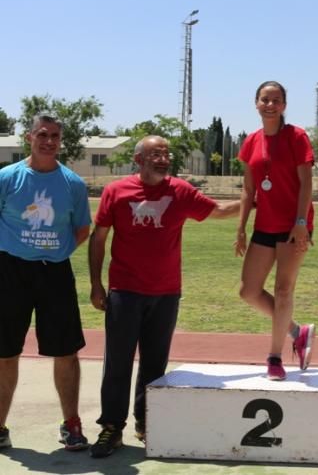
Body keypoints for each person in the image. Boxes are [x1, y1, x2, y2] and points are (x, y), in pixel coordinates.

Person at [87, 135, 240, 458]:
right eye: (155, 153)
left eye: (166, 153)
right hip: (124, 291)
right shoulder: (116, 191)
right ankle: (112, 427)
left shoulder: (179, 191)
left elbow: (220, 211)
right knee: (118, 363)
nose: (163, 158)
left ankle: (147, 423)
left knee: (155, 365)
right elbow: (98, 239)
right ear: (139, 158)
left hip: (166, 292)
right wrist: (96, 284)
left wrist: (255, 200)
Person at [0, 113, 92, 451]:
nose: (48, 141)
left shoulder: (72, 184)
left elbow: (82, 229)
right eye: (42, 134)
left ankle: (72, 424)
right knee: (5, 353)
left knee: (66, 351)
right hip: (9, 271)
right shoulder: (7, 178)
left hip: (54, 273)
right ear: (29, 137)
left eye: (54, 135)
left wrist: (57, 250)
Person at [235, 81, 316, 381]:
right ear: (256, 103)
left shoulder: (296, 136)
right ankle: (297, 331)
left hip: (293, 227)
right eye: (265, 99)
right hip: (263, 226)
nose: (270, 104)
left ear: (284, 105)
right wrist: (241, 227)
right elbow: (248, 189)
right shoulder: (251, 141)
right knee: (248, 291)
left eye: (276, 100)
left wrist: (300, 223)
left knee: (284, 290)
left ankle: (275, 357)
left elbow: (306, 183)